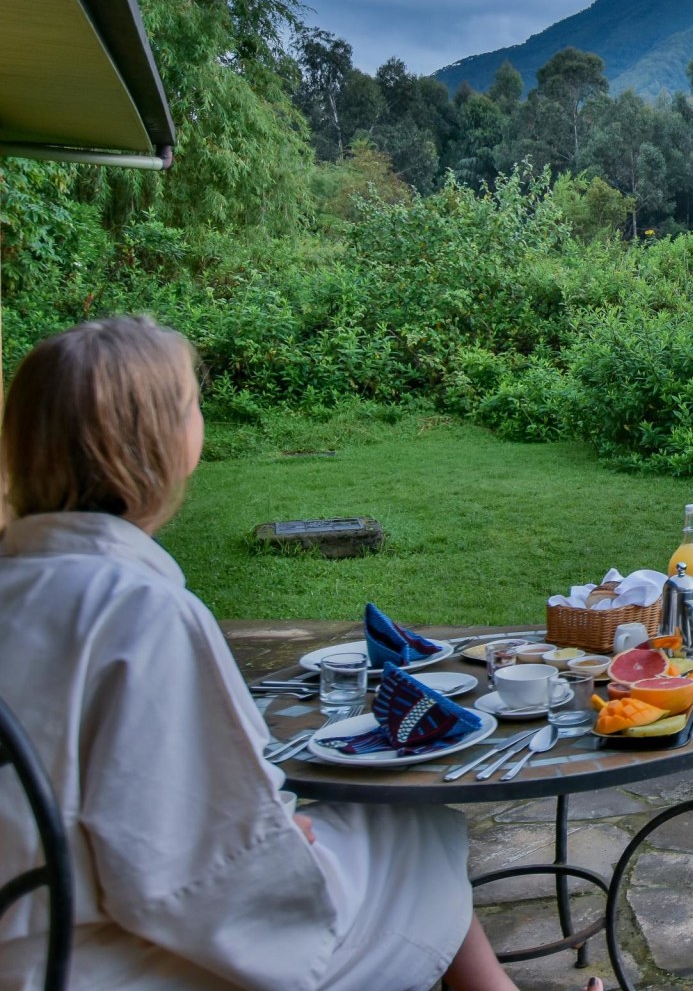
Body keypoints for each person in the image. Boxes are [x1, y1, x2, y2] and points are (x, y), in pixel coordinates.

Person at [0, 317, 599, 991]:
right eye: (193, 405)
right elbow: (195, 875)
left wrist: (264, 830)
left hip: (31, 929)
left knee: (381, 833)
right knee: (420, 836)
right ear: (161, 443)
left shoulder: (24, 588)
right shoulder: (132, 610)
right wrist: (274, 845)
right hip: (107, 962)